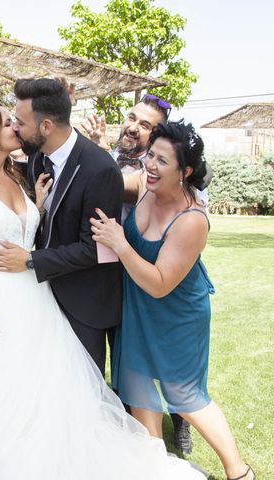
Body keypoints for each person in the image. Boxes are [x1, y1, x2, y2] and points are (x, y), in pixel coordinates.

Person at [0, 102, 205, 479]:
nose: (16, 126)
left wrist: (40, 208)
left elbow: (23, 230)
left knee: (40, 388)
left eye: (17, 120)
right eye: (7, 122)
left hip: (31, 297)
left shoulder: (17, 175)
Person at [90, 121, 255, 480]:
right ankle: (155, 470)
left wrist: (120, 243)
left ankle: (239, 471)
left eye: (162, 161)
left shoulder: (192, 219)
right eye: (150, 155)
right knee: (136, 385)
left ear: (186, 171)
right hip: (139, 305)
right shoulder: (145, 187)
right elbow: (109, 179)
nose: (150, 165)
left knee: (185, 393)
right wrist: (100, 149)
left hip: (176, 311)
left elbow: (161, 283)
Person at [0, 78, 123, 375]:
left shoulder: (101, 170)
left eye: (19, 121)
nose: (15, 127)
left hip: (84, 305)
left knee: (82, 388)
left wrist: (31, 260)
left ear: (45, 126)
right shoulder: (36, 161)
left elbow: (99, 249)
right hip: (40, 298)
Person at [84, 94, 195, 453]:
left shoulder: (163, 171)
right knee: (126, 358)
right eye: (132, 118)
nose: (133, 126)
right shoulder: (109, 155)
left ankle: (181, 422)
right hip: (110, 275)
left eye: (145, 125)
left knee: (165, 361)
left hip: (151, 275)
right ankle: (125, 427)